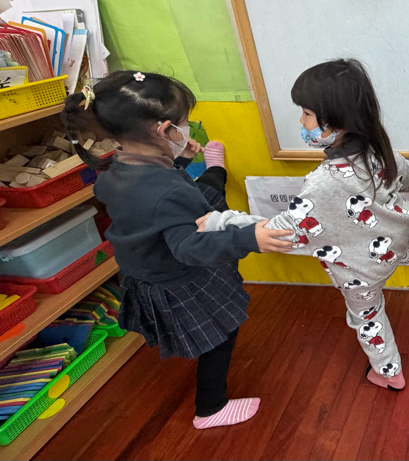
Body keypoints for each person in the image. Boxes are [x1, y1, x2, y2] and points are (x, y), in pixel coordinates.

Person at [61, 70, 294, 429]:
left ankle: (215, 172)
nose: (187, 129)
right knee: (221, 333)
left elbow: (154, 198)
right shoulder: (169, 191)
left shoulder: (113, 169)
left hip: (144, 269)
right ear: (165, 130)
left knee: (208, 197)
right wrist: (250, 238)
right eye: (184, 124)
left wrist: (180, 160)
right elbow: (188, 247)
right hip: (177, 277)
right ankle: (210, 408)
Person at [200, 59, 409, 391]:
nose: (301, 121)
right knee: (370, 301)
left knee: (367, 316)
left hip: (360, 271)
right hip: (393, 247)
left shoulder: (327, 182)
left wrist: (219, 221)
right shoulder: (380, 151)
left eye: (306, 113)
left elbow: (282, 231)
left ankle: (389, 372)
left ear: (337, 120)